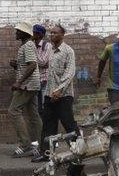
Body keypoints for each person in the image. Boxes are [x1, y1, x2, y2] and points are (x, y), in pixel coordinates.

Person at [32, 25, 77, 163]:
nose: (52, 35)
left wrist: (60, 90)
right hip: (49, 94)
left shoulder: (68, 51)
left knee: (68, 124)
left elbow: (70, 73)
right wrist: (50, 92)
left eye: (55, 33)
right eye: (51, 33)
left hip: (64, 95)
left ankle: (78, 150)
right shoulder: (50, 50)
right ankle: (46, 153)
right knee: (48, 126)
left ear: (63, 34)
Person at [9, 21, 42, 158]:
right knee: (33, 115)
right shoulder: (27, 45)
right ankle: (42, 144)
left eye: (18, 31)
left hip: (27, 85)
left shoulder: (27, 45)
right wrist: (17, 65)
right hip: (31, 84)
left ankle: (25, 144)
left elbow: (33, 65)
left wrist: (19, 82)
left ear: (25, 33)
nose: (16, 33)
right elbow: (27, 65)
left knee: (13, 110)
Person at [32, 24, 53, 116]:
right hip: (34, 80)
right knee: (35, 107)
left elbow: (43, 62)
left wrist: (33, 51)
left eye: (34, 32)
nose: (32, 34)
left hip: (45, 79)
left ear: (40, 35)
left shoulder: (47, 45)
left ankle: (47, 126)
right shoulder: (31, 45)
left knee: (45, 105)